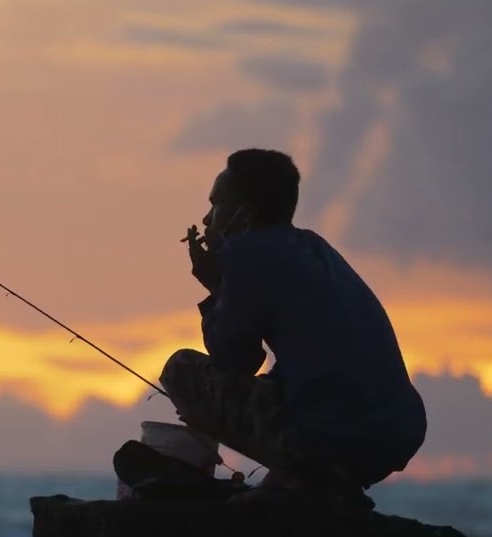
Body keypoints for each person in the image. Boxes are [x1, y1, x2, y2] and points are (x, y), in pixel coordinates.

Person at [160, 148, 426, 503]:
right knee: (281, 389)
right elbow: (309, 366)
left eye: (216, 205)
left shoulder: (247, 253)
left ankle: (304, 481)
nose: (207, 219)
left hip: (333, 436)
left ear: (244, 213)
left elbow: (234, 361)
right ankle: (304, 481)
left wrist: (215, 287)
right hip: (396, 433)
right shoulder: (315, 248)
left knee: (182, 370)